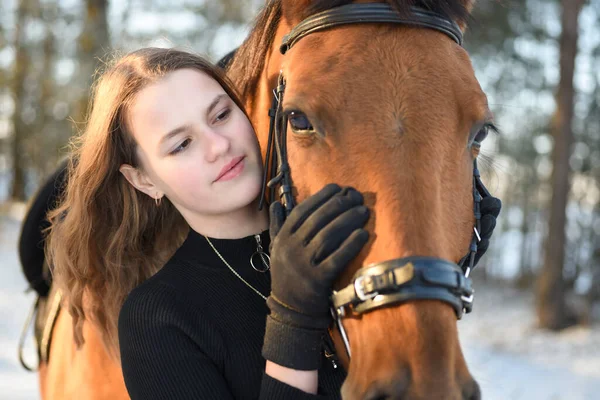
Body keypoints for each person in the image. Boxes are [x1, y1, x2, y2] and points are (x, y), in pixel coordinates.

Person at [45, 47, 500, 400]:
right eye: (181, 144)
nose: (218, 146)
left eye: (221, 115)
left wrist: (444, 261)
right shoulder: (156, 317)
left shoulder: (342, 244)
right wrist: (294, 320)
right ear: (144, 179)